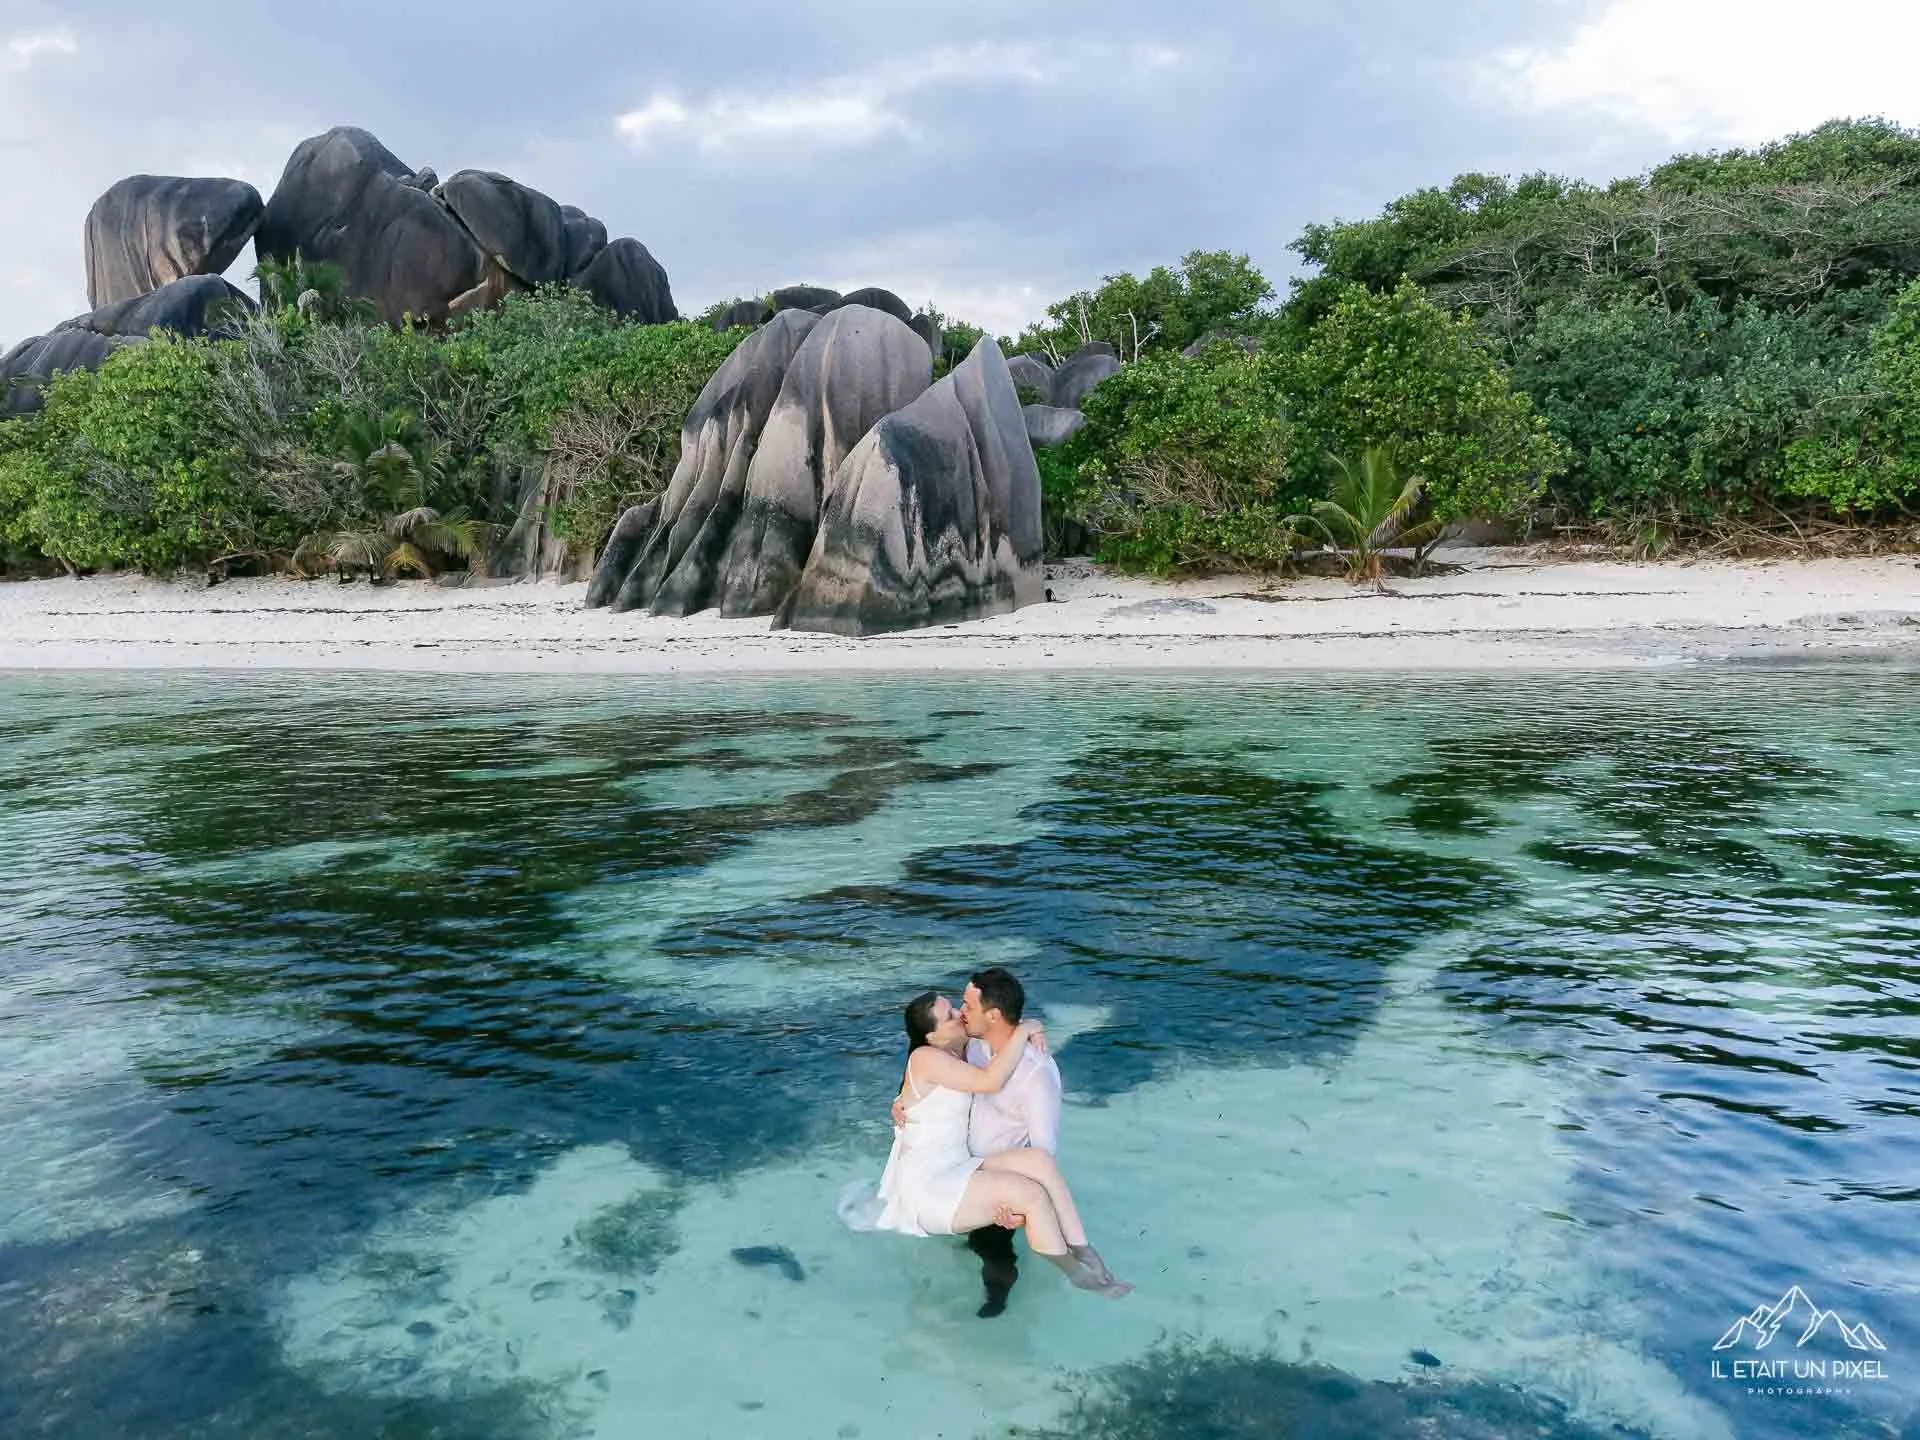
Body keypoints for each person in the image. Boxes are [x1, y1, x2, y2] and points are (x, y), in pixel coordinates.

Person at [869, 990, 1128, 1299]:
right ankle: (1077, 1276)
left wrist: (1033, 1023)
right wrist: (1024, 1031)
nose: (959, 1014)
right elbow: (990, 1081)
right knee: (1030, 1195)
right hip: (929, 1184)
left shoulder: (961, 1047)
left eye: (955, 1007)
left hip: (959, 1163)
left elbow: (998, 1031)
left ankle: (1085, 1250)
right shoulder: (925, 1057)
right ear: (932, 1036)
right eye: (949, 1016)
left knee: (1039, 1162)